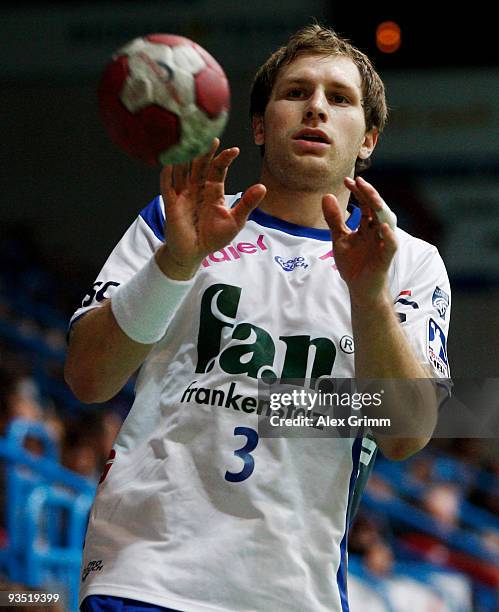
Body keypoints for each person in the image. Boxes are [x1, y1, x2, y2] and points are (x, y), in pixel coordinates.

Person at [65, 24, 451, 612]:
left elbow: (404, 433)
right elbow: (89, 379)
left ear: (367, 138)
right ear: (259, 125)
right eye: (296, 92)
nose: (316, 107)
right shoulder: (180, 220)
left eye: (339, 98)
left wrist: (369, 297)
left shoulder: (407, 261)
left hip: (295, 592)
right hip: (144, 577)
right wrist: (177, 260)